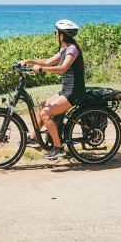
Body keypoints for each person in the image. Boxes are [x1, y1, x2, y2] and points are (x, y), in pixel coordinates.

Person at [20, 19, 85, 160]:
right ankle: (34, 138)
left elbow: (62, 68)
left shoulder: (72, 50)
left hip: (74, 92)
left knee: (45, 114)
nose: (54, 34)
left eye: (56, 32)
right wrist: (28, 61)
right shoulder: (64, 49)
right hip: (67, 90)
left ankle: (58, 147)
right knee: (42, 107)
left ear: (62, 35)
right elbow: (49, 61)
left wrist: (42, 69)